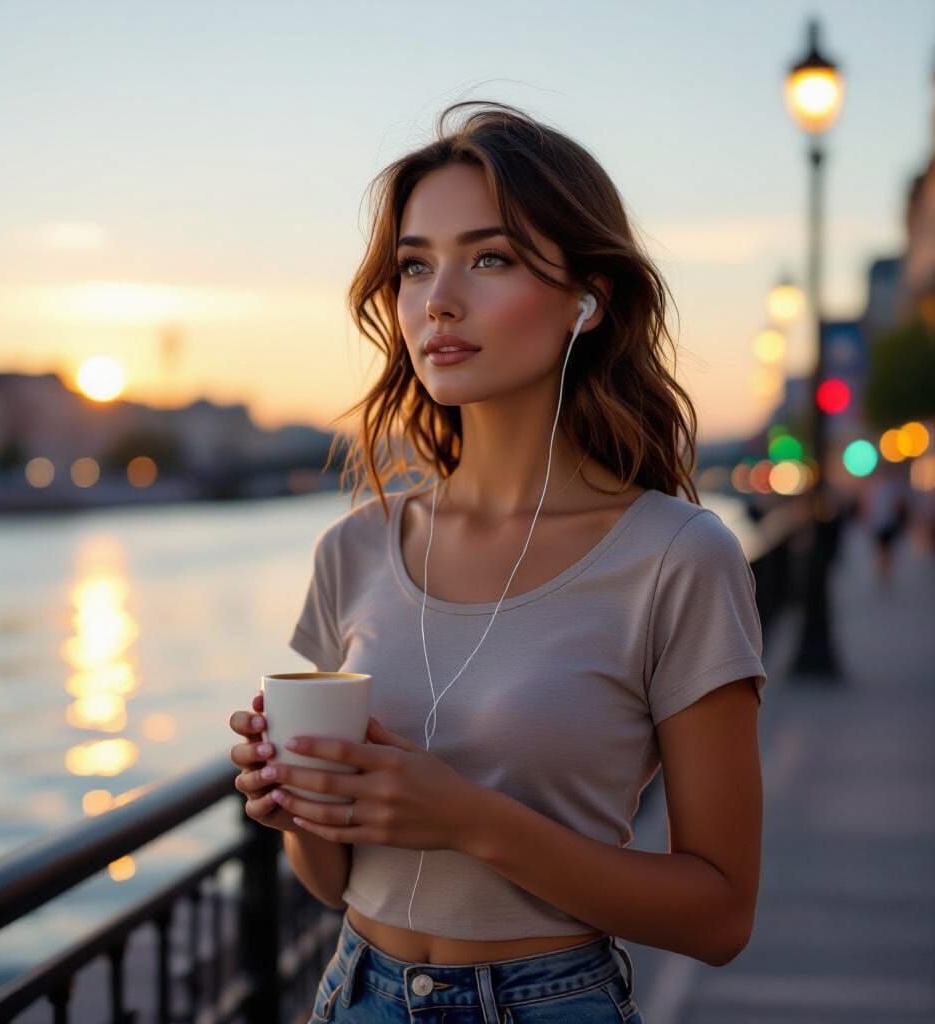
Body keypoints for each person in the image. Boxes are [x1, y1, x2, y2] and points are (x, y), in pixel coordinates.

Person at [229, 101, 767, 1023]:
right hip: (352, 993)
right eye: (413, 265)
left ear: (588, 297)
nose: (438, 298)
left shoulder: (678, 557)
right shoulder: (354, 546)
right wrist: (292, 808)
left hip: (551, 1001)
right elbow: (331, 882)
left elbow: (720, 914)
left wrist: (468, 819)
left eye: (489, 258)